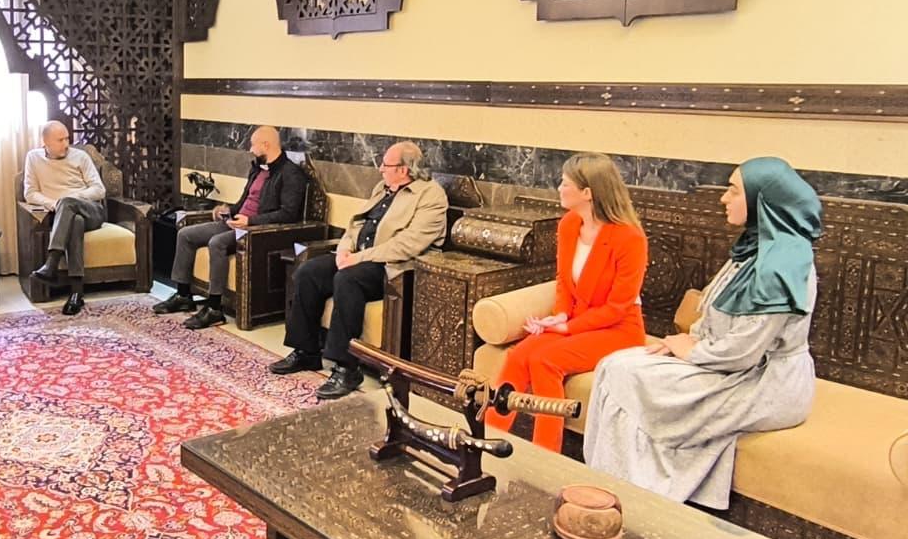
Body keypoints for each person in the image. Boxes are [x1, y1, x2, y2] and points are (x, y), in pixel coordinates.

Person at [584, 158, 822, 509]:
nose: (724, 198)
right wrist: (689, 341)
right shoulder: (754, 248)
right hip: (728, 363)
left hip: (764, 383)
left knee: (628, 375)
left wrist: (691, 351)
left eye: (733, 190)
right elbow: (716, 315)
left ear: (760, 199)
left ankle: (635, 498)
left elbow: (745, 351)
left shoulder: (782, 264)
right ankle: (613, 486)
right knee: (615, 365)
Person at [485, 152, 648, 453]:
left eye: (565, 183)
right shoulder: (569, 224)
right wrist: (560, 315)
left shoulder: (629, 238)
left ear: (587, 192)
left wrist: (566, 327)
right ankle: (486, 437)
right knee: (519, 355)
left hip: (618, 330)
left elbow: (618, 308)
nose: (559, 188)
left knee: (545, 360)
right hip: (576, 320)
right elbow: (563, 280)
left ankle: (545, 454)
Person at [271, 141, 447, 400]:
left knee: (347, 279)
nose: (380, 169)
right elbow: (356, 225)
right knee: (309, 272)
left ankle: (347, 368)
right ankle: (306, 352)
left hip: (392, 267)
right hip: (359, 257)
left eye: (385, 165)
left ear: (404, 169)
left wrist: (359, 258)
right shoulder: (382, 188)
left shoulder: (431, 196)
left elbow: (408, 244)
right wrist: (345, 249)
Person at [154, 125, 306, 330]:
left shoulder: (290, 173)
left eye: (253, 145)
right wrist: (226, 210)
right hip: (236, 223)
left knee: (216, 242)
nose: (251, 150)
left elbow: (288, 214)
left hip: (255, 231)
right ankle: (183, 295)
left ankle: (214, 308)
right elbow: (244, 202)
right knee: (185, 234)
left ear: (266, 145)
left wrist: (250, 222)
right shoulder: (257, 169)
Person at [25, 120, 107, 316]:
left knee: (70, 205)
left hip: (92, 210)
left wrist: (72, 199)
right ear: (46, 142)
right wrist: (55, 204)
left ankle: (51, 263)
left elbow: (99, 190)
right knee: (75, 222)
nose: (66, 144)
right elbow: (30, 193)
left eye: (67, 139)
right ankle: (76, 293)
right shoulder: (33, 158)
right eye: (60, 140)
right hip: (64, 214)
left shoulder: (81, 156)